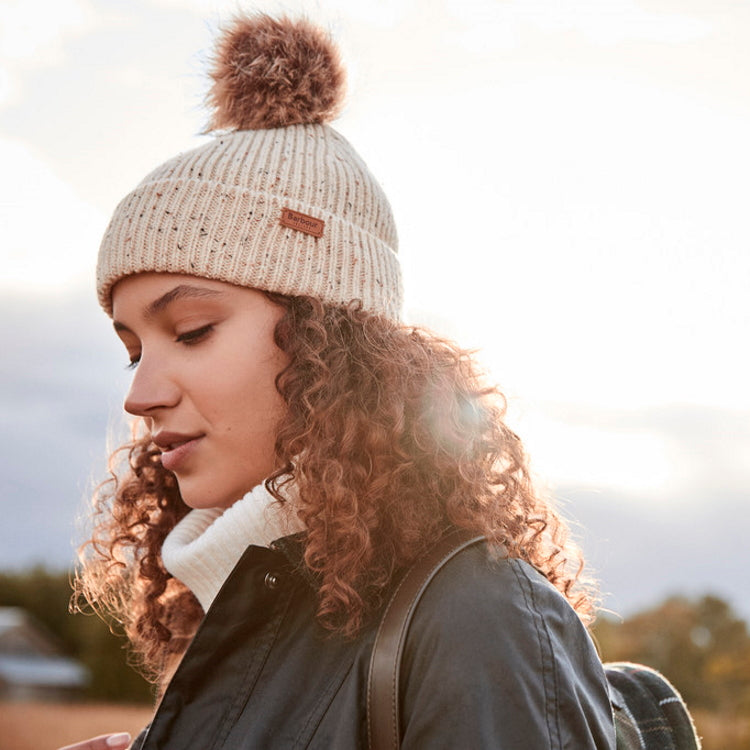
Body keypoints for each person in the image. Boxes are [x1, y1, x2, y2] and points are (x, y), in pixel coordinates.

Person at [63, 13, 616, 750]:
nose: (140, 395)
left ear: (333, 341)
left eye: (192, 331)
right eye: (133, 350)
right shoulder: (232, 616)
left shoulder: (476, 621)